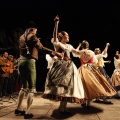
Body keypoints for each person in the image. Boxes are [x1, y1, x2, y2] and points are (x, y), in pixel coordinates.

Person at [14, 21, 62, 119]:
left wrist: (36, 41)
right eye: (36, 30)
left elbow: (27, 46)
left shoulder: (22, 37)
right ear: (33, 29)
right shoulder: (32, 36)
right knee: (31, 88)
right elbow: (41, 48)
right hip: (29, 62)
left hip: (21, 62)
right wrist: (54, 52)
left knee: (24, 87)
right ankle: (27, 112)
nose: (36, 32)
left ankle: (18, 109)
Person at [42, 15, 85, 114]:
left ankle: (64, 108)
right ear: (62, 36)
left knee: (69, 88)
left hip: (69, 66)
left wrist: (84, 51)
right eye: (67, 35)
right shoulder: (58, 44)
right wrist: (56, 23)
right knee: (63, 87)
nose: (68, 37)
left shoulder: (69, 46)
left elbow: (76, 52)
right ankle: (62, 108)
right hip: (61, 66)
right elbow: (55, 36)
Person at [71, 40, 116, 107]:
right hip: (90, 68)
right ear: (87, 46)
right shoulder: (91, 52)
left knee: (82, 85)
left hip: (82, 69)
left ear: (82, 46)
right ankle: (88, 104)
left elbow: (74, 53)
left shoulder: (80, 52)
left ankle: (83, 101)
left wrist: (78, 46)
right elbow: (95, 61)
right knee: (91, 85)